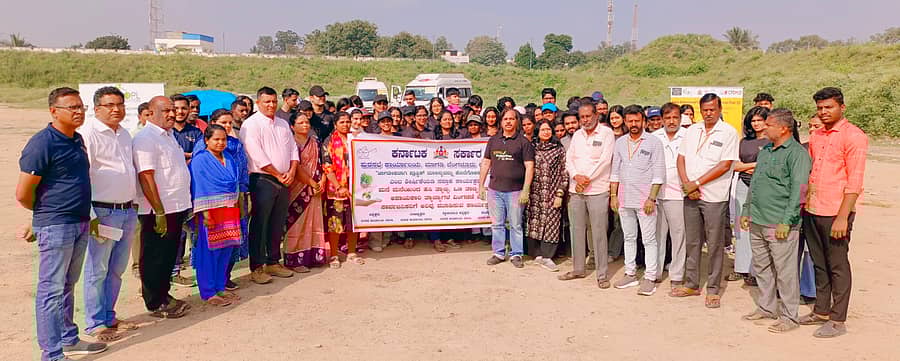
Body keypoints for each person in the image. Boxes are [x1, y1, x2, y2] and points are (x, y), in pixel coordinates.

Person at [17, 87, 108, 360]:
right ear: (53, 111)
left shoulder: (77, 140)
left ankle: (69, 338)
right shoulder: (42, 143)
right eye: (72, 107)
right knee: (51, 290)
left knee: (68, 285)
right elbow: (23, 193)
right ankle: (52, 353)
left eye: (81, 107)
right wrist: (44, 217)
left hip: (79, 222)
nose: (79, 112)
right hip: (56, 226)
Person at [800, 87, 867, 338]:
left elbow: (855, 181)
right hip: (813, 207)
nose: (824, 112)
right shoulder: (818, 135)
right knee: (819, 263)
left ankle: (838, 319)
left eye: (829, 107)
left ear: (842, 108)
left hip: (836, 211)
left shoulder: (854, 137)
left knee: (837, 264)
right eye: (820, 108)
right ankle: (821, 310)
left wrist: (842, 216)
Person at [737, 108, 810, 333]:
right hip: (758, 218)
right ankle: (767, 308)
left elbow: (799, 191)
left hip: (779, 222)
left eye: (768, 124)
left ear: (783, 128)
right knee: (762, 266)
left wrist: (787, 221)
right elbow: (755, 182)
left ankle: (789, 316)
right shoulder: (767, 149)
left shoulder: (797, 154)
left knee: (785, 271)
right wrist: (747, 210)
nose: (763, 127)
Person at [79, 86, 140, 343]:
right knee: (97, 269)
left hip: (126, 210)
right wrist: (91, 214)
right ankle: (94, 323)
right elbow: (82, 176)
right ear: (96, 108)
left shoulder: (124, 134)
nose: (116, 109)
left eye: (120, 104)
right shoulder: (88, 133)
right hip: (102, 212)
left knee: (116, 269)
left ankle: (109, 315)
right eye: (110, 105)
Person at [672, 93, 739, 309]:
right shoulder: (692, 130)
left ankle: (713, 289)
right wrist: (686, 184)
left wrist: (697, 183)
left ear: (720, 110)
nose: (708, 113)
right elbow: (680, 158)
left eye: (712, 109)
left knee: (714, 243)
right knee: (692, 241)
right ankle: (692, 283)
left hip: (714, 197)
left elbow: (725, 164)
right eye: (705, 110)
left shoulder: (729, 132)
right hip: (690, 194)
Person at [132, 95, 192, 319]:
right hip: (158, 211)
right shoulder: (146, 138)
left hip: (176, 206)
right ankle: (155, 302)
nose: (171, 114)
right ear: (151, 112)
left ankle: (164, 295)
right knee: (155, 256)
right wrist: (158, 211)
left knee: (167, 256)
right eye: (165, 110)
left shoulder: (169, 136)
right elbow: (146, 176)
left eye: (172, 110)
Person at [240, 87, 299, 284]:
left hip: (285, 179)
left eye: (273, 101)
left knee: (277, 223)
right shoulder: (251, 125)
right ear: (258, 103)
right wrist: (277, 174)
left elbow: (293, 150)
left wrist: (291, 171)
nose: (271, 105)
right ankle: (257, 266)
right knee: (260, 224)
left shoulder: (283, 124)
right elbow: (256, 154)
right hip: (263, 180)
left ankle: (273, 261)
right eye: (266, 102)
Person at [558, 102, 615, 287]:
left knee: (598, 232)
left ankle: (602, 274)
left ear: (596, 115)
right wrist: (576, 176)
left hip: (598, 189)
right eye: (582, 117)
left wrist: (587, 179)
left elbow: (606, 161)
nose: (585, 120)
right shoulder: (577, 135)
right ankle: (578, 268)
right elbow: (569, 159)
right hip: (576, 190)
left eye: (588, 116)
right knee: (577, 230)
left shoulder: (607, 134)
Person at [610, 105, 665, 295]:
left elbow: (659, 173)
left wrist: (652, 198)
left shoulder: (653, 142)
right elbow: (615, 171)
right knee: (629, 237)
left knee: (649, 240)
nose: (633, 124)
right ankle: (630, 274)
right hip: (624, 199)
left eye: (637, 121)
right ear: (625, 122)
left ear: (643, 121)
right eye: (630, 121)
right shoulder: (620, 143)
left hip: (645, 201)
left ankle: (650, 277)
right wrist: (613, 196)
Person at [192, 109, 249, 290]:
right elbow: (199, 187)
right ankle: (209, 291)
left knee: (226, 250)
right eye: (216, 139)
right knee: (210, 252)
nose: (220, 143)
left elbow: (235, 184)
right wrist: (206, 214)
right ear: (206, 140)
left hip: (230, 209)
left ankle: (220, 286)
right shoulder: (200, 160)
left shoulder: (230, 158)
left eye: (223, 139)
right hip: (210, 212)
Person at [479, 108, 535, 268]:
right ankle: (498, 252)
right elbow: (486, 163)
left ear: (516, 121)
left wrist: (526, 189)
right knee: (497, 224)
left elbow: (530, 167)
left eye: (511, 119)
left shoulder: (523, 142)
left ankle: (516, 254)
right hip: (495, 190)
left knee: (516, 224)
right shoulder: (493, 140)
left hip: (515, 191)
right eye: (505, 119)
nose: (508, 122)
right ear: (501, 122)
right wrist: (480, 185)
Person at [729, 106, 770, 286]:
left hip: (765, 188)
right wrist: (754, 165)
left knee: (759, 228)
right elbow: (736, 166)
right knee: (741, 227)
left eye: (760, 120)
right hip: (743, 185)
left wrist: (751, 166)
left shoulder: (772, 141)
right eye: (753, 120)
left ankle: (756, 271)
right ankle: (741, 268)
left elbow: (770, 165)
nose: (756, 124)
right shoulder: (744, 142)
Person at [322, 112, 365, 268]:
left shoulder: (356, 139)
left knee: (354, 221)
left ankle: (352, 252)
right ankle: (334, 255)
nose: (346, 124)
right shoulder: (329, 142)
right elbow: (327, 166)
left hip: (355, 189)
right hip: (336, 191)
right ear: (335, 124)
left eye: (348, 121)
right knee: (335, 223)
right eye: (342, 122)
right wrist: (339, 186)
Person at [653, 103, 688, 294]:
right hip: (657, 194)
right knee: (657, 235)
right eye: (667, 118)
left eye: (675, 117)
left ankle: (676, 274)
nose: (671, 121)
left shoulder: (688, 137)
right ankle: (655, 271)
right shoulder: (654, 137)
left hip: (678, 195)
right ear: (662, 119)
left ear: (680, 118)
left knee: (678, 236)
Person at [526, 121, 568, 272]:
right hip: (534, 194)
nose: (545, 132)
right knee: (534, 223)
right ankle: (536, 253)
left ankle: (548, 256)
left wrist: (560, 194)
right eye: (542, 129)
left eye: (548, 129)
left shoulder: (559, 149)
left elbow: (564, 173)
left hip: (552, 193)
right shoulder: (531, 148)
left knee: (552, 223)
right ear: (537, 132)